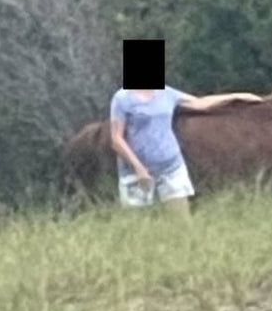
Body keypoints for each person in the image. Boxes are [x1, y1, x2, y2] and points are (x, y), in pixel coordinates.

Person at [109, 85, 262, 216]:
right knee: (139, 223)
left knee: (181, 223)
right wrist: (139, 168)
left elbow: (200, 103)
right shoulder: (123, 98)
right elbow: (117, 139)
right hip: (136, 173)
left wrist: (238, 96)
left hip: (171, 168)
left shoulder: (166, 93)